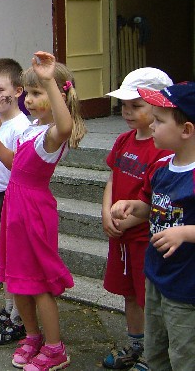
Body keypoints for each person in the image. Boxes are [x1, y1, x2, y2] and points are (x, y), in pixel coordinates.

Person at [0, 51, 86, 370]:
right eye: (27, 93)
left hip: (34, 211)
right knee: (18, 280)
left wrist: (49, 80)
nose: (28, 100)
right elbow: (14, 164)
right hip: (14, 208)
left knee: (39, 283)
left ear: (58, 95)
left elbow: (66, 125)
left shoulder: (53, 134)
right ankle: (32, 336)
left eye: (36, 93)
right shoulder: (31, 128)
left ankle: (55, 349)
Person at [111, 82, 195, 371]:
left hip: (186, 287)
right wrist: (134, 206)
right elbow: (154, 206)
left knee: (184, 354)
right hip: (157, 276)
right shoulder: (162, 167)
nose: (152, 126)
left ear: (186, 130)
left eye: (159, 121)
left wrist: (185, 232)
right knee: (157, 350)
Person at [101, 68, 173, 370]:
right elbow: (112, 177)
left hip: (146, 238)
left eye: (136, 106)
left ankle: (154, 353)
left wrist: (127, 222)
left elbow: (160, 200)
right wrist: (106, 212)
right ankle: (136, 343)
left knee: (149, 299)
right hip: (121, 237)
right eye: (124, 105)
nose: (127, 112)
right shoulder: (123, 140)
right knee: (129, 293)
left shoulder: (163, 149)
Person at [0, 58, 30, 345]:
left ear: (18, 91)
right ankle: (10, 308)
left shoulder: (21, 126)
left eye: (0, 90)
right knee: (3, 260)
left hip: (12, 200)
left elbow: (17, 167)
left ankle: (19, 318)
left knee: (14, 261)